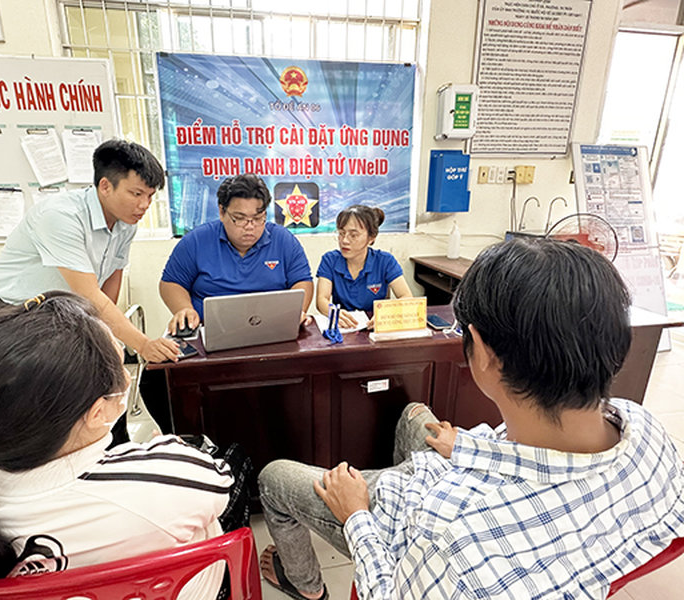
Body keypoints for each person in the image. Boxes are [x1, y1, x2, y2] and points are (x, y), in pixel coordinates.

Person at [257, 237, 684, 600]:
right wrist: (467, 446)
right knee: (414, 415)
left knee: (274, 476)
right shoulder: (642, 425)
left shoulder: (455, 544)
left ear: (483, 352)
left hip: (412, 522)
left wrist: (356, 517)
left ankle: (306, 586)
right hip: (490, 495)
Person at [0, 292, 234, 600]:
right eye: (121, 364)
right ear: (98, 411)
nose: (128, 377)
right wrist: (167, 450)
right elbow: (220, 481)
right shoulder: (163, 474)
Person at [0, 139, 180, 365]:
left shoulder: (127, 221)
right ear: (105, 186)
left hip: (61, 310)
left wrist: (105, 333)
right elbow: (89, 294)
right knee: (58, 378)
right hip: (13, 311)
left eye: (150, 196)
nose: (144, 205)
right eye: (136, 194)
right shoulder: (61, 216)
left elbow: (112, 279)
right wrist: (143, 345)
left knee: (103, 360)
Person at [159, 173, 313, 334]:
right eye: (240, 218)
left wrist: (296, 312)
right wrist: (184, 309)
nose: (250, 226)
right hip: (209, 331)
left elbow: (302, 282)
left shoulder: (283, 240)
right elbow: (171, 283)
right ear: (222, 212)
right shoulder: (196, 241)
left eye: (258, 218)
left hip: (273, 330)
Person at [316, 205, 411, 329]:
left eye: (353, 235)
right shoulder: (330, 260)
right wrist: (332, 311)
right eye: (341, 233)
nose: (344, 241)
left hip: (374, 328)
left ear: (371, 238)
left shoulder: (385, 261)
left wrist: (387, 314)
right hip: (344, 328)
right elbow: (322, 299)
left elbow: (407, 297)